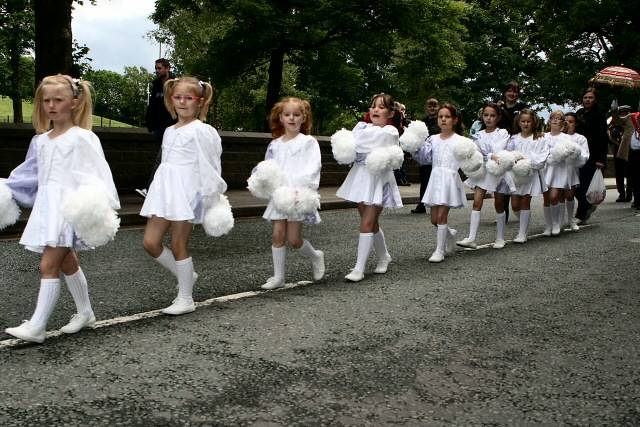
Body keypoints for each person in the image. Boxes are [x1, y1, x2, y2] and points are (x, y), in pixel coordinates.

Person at [2, 75, 120, 343]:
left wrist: (96, 207)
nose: (51, 106)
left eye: (58, 100)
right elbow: (28, 176)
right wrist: (8, 191)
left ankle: (37, 326)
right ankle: (85, 312)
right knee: (67, 262)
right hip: (47, 210)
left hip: (69, 209)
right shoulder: (40, 142)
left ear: (74, 102)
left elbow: (98, 175)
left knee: (48, 264)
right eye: (46, 100)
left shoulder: (83, 138)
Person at [140, 76, 227, 315]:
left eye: (188, 98)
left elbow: (210, 165)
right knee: (150, 242)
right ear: (171, 99)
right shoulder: (168, 131)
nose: (182, 102)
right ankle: (186, 274)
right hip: (164, 191)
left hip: (187, 193)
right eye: (178, 97)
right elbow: (164, 164)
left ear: (199, 102)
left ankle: (186, 297)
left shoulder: (203, 131)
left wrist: (211, 196)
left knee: (179, 244)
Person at [252, 97, 325, 290]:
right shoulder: (275, 145)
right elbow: (269, 167)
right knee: (277, 234)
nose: (292, 118)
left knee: (294, 240)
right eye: (287, 115)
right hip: (279, 195)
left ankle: (316, 256)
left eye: (296, 114)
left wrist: (302, 189)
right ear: (281, 118)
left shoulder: (309, 142)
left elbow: (313, 167)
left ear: (304, 118)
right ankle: (278, 277)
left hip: (297, 195)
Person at [335, 93, 403, 282]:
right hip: (360, 177)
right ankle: (384, 256)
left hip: (378, 179)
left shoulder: (390, 131)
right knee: (370, 223)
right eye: (373, 106)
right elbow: (352, 145)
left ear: (390, 113)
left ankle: (359, 269)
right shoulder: (362, 127)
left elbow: (362, 143)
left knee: (366, 223)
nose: (375, 109)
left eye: (381, 107)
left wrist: (355, 142)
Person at [409, 104, 468, 262]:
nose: (443, 119)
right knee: (434, 219)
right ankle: (450, 233)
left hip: (449, 179)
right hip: (436, 179)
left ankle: (439, 251)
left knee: (442, 216)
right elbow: (425, 158)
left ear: (454, 120)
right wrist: (414, 147)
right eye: (440, 116)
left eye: (447, 116)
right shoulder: (432, 139)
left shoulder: (461, 140)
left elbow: (470, 158)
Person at [457, 102, 514, 250]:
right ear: (482, 116)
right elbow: (479, 153)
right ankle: (471, 238)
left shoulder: (502, 133)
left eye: (492, 115)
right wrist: (488, 155)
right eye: (486, 115)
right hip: (483, 171)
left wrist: (488, 154)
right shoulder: (478, 135)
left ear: (498, 117)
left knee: (499, 203)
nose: (489, 118)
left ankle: (500, 237)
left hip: (498, 170)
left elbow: (498, 150)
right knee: (477, 201)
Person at [507, 109, 549, 242]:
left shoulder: (539, 138)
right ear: (518, 122)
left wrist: (526, 160)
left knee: (525, 201)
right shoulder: (513, 139)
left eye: (528, 121)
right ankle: (524, 221)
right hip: (516, 175)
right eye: (523, 121)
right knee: (514, 204)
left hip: (530, 174)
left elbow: (541, 159)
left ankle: (522, 233)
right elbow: (508, 155)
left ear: (533, 122)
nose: (526, 124)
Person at [137, 58, 177, 197]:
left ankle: (151, 189)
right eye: (156, 68)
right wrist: (150, 122)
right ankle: (159, 190)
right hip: (160, 127)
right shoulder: (156, 85)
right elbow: (153, 105)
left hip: (172, 127)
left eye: (159, 68)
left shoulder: (175, 84)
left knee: (162, 159)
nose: (157, 71)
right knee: (164, 160)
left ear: (167, 68)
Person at [543, 110, 579, 235]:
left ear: (563, 122)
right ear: (549, 121)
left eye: (558, 118)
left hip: (560, 170)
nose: (555, 120)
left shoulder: (566, 137)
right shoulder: (544, 136)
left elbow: (570, 153)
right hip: (547, 169)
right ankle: (548, 226)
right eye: (553, 118)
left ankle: (556, 223)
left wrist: (562, 155)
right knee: (547, 198)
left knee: (554, 196)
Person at [574, 88, 608, 223]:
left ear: (595, 100)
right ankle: (588, 205)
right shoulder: (579, 113)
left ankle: (581, 215)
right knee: (576, 186)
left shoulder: (599, 114)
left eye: (590, 97)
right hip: (580, 154)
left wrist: (601, 159)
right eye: (585, 97)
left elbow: (602, 138)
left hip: (593, 155)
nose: (587, 100)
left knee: (584, 186)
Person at [411, 98, 439, 214]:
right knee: (424, 180)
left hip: (436, 154)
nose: (432, 108)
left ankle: (436, 204)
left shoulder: (440, 120)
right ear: (426, 108)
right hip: (425, 155)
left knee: (436, 180)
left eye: (434, 106)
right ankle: (421, 204)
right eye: (429, 106)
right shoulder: (422, 122)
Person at [564, 112, 590, 230]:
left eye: (571, 122)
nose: (567, 124)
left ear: (576, 124)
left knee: (570, 195)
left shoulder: (580, 138)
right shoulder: (556, 136)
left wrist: (575, 154)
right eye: (565, 121)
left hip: (573, 171)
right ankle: (556, 222)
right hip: (558, 171)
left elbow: (584, 156)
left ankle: (571, 220)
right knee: (557, 197)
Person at [610, 105, 636, 204]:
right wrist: (614, 111)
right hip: (619, 149)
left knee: (630, 173)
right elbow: (610, 132)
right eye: (621, 112)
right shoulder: (614, 122)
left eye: (625, 112)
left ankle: (629, 194)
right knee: (619, 173)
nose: (623, 114)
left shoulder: (633, 118)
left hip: (631, 149)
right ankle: (621, 193)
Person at [393, 102, 411, 187]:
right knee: (398, 161)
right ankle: (400, 179)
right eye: (401, 109)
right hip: (395, 141)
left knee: (401, 162)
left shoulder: (402, 118)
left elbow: (405, 126)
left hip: (401, 141)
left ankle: (403, 179)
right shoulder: (395, 117)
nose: (403, 111)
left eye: (404, 109)